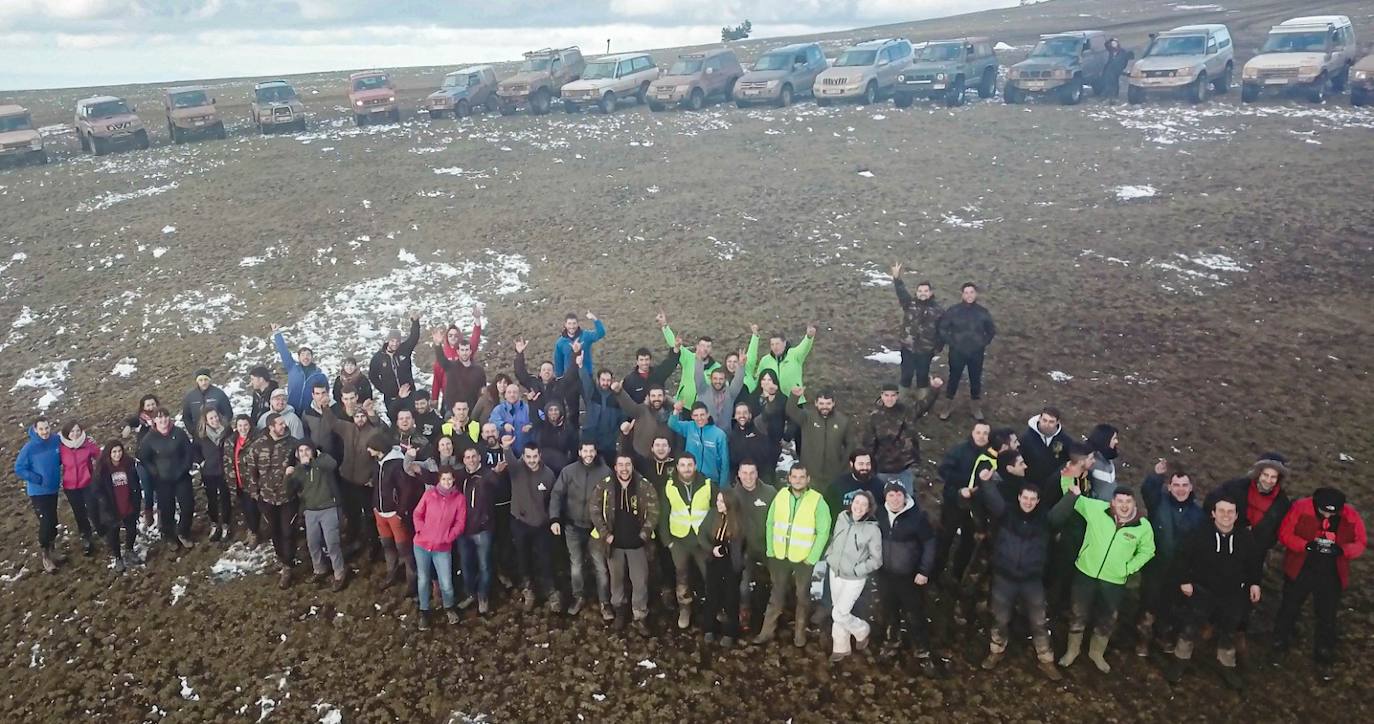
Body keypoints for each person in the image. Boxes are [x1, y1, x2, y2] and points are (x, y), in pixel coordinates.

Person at [1051, 481, 1155, 673]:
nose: (1124, 505)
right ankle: (1072, 650)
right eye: (1120, 501)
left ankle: (1096, 653)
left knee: (1107, 617)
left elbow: (1148, 551)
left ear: (1134, 504)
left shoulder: (1143, 526)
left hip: (1114, 581)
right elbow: (1074, 496)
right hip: (1085, 573)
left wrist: (1128, 568)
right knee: (1077, 612)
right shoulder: (1096, 509)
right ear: (1112, 502)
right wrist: (1068, 478)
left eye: (1128, 502)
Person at [1163, 496, 1262, 690]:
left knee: (1229, 630)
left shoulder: (1245, 538)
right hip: (1202, 590)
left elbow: (1254, 563)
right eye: (1222, 511)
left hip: (1233, 593)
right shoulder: (1199, 534)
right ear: (1213, 513)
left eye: (1230, 512)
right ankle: (1180, 660)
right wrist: (1184, 580)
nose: (1226, 516)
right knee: (1190, 627)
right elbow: (1182, 557)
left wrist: (1254, 584)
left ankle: (1227, 663)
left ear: (1236, 515)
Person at [1273, 487, 1366, 682]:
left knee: (1327, 614)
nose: (1328, 515)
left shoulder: (1351, 515)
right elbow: (1285, 533)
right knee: (1289, 606)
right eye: (1324, 511)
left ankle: (1324, 649)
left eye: (1332, 512)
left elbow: (1360, 543)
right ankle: (1280, 640)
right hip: (1300, 568)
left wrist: (1342, 550)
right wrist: (1305, 545)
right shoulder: (1300, 508)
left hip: (1331, 574)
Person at [980, 478, 1061, 680]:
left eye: (1032, 499)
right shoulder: (1006, 514)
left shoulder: (1045, 520)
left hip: (1031, 580)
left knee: (1039, 621)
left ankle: (1046, 659)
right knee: (1000, 618)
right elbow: (993, 501)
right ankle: (996, 650)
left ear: (1038, 501)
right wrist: (986, 483)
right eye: (1025, 497)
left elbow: (1061, 514)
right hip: (1005, 576)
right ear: (1019, 498)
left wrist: (1073, 495)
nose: (1028, 502)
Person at [754, 465, 832, 648]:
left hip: (803, 559)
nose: (798, 480)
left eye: (801, 477)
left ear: (808, 479)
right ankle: (766, 632)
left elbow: (824, 532)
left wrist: (812, 557)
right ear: (788, 478)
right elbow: (770, 523)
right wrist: (771, 550)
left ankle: (799, 635)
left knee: (802, 597)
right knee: (776, 595)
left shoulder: (817, 501)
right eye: (794, 476)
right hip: (780, 556)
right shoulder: (780, 495)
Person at [1138, 463, 1205, 657]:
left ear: (1191, 488)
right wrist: (1156, 475)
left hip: (1179, 571)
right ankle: (1143, 639)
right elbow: (1146, 490)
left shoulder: (1197, 514)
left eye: (1185, 485)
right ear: (1169, 487)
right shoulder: (1158, 503)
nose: (1181, 489)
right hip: (1155, 566)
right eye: (1176, 484)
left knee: (1170, 606)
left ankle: (1163, 636)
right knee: (1148, 603)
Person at [874, 480, 939, 674]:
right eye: (891, 495)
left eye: (899, 495)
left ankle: (922, 651)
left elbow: (929, 544)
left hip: (909, 577)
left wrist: (924, 571)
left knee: (914, 615)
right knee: (889, 611)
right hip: (885, 574)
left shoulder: (917, 518)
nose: (895, 499)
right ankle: (891, 642)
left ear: (905, 496)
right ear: (885, 497)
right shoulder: (879, 514)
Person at [591, 452, 658, 633]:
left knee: (640, 582)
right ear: (615, 467)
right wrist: (606, 534)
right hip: (614, 544)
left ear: (632, 466)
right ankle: (620, 612)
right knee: (616, 581)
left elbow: (654, 512)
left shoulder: (644, 485)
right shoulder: (604, 486)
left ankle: (640, 615)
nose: (624, 468)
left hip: (637, 544)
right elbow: (595, 511)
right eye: (620, 465)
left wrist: (644, 535)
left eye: (627, 464)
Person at [550, 440, 612, 618]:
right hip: (573, 526)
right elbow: (556, 494)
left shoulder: (605, 472)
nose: (588, 454)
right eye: (585, 451)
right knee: (576, 565)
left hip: (596, 529)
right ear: (579, 452)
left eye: (591, 451)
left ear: (596, 452)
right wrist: (554, 518)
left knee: (600, 567)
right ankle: (578, 597)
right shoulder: (568, 471)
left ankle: (604, 602)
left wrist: (607, 526)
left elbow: (611, 500)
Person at [321, 403, 383, 557]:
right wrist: (325, 408)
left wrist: (373, 478)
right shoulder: (347, 428)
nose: (360, 419)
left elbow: (384, 433)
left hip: (365, 482)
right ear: (353, 417)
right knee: (350, 512)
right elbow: (333, 423)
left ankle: (372, 545)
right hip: (347, 479)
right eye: (357, 416)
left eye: (363, 416)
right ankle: (353, 539)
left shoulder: (374, 432)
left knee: (369, 515)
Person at [827, 490, 882, 662]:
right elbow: (834, 539)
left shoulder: (873, 530)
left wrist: (858, 570)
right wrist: (830, 556)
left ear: (869, 509)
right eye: (856, 502)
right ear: (851, 503)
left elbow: (876, 560)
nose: (858, 507)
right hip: (834, 572)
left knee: (839, 614)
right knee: (838, 610)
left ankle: (862, 630)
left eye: (863, 504)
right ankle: (841, 648)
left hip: (854, 579)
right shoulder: (842, 517)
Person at [411, 466, 468, 630]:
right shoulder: (429, 494)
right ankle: (424, 611)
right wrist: (421, 530)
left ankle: (449, 607)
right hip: (422, 545)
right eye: (444, 479)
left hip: (442, 548)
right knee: (423, 580)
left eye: (449, 479)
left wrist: (448, 537)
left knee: (446, 582)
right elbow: (417, 514)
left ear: (454, 480)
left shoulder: (459, 499)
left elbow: (460, 523)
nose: (447, 482)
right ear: (439, 480)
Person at [505, 437, 558, 611]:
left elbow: (552, 499)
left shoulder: (548, 474)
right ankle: (528, 589)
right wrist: (506, 447)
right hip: (520, 522)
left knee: (545, 558)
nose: (531, 460)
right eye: (528, 457)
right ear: (524, 456)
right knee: (522, 557)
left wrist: (552, 519)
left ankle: (551, 591)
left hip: (541, 524)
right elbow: (510, 460)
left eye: (535, 456)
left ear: (540, 455)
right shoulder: (517, 469)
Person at [287, 442, 347, 591]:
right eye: (301, 451)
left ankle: (339, 574)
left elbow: (332, 464)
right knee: (313, 543)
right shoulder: (299, 470)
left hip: (329, 507)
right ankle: (319, 569)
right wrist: (288, 477)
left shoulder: (323, 462)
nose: (304, 453)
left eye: (307, 449)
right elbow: (290, 491)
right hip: (310, 510)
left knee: (332, 543)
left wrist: (316, 458)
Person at [934, 422, 991, 580]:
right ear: (972, 433)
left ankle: (957, 575)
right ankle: (935, 572)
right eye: (978, 432)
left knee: (968, 542)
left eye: (985, 433)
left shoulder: (991, 455)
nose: (981, 436)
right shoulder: (959, 450)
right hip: (954, 501)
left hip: (977, 506)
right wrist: (967, 484)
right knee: (945, 538)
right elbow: (944, 470)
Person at [662, 453, 712, 629]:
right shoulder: (669, 486)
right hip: (679, 540)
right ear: (677, 467)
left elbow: (715, 512)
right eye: (682, 465)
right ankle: (685, 609)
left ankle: (713, 608)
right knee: (682, 576)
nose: (686, 469)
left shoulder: (708, 484)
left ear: (695, 466)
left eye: (689, 465)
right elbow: (664, 514)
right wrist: (668, 541)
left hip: (703, 541)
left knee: (709, 574)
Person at [249, 413, 299, 588]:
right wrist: (255, 493)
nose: (283, 426)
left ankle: (288, 565)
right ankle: (281, 558)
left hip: (288, 497)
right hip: (267, 498)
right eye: (279, 424)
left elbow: (302, 465)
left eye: (283, 424)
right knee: (274, 530)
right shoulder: (257, 446)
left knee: (288, 532)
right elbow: (252, 470)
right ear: (271, 427)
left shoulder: (292, 444)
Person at [1204, 454, 1292, 552]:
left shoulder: (1282, 503)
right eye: (1265, 475)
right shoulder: (1235, 487)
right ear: (1258, 473)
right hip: (1224, 542)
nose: (1268, 480)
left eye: (1273, 477)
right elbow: (1210, 503)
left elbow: (1277, 532)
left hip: (1254, 551)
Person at [934, 282, 994, 422]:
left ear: (976, 294)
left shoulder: (982, 312)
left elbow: (991, 331)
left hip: (976, 353)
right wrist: (952, 342)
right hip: (957, 352)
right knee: (954, 378)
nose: (969, 295)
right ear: (962, 294)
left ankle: (975, 407)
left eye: (971, 292)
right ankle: (947, 406)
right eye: (966, 292)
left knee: (975, 378)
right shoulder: (954, 310)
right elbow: (942, 328)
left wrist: (982, 343)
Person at [865, 382, 938, 496]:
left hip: (905, 468)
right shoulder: (874, 417)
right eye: (887, 395)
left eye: (893, 395)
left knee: (906, 501)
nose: (890, 398)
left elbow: (923, 405)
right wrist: (869, 467)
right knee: (880, 501)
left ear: (897, 396)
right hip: (883, 469)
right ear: (882, 395)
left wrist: (934, 389)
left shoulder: (906, 411)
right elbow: (869, 444)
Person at [370, 438, 422, 595]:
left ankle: (412, 581)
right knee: (387, 545)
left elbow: (405, 489)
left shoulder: (395, 464)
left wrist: (400, 511)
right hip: (380, 512)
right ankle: (391, 573)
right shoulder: (378, 463)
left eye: (370, 448)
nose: (368, 451)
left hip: (393, 513)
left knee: (404, 549)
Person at [139, 408, 196, 549]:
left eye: (165, 417)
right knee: (166, 509)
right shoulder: (149, 438)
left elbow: (188, 452)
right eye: (159, 418)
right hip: (163, 480)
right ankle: (169, 536)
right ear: (155, 420)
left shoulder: (179, 433)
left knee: (188, 506)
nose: (163, 420)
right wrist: (155, 472)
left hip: (181, 476)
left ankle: (183, 531)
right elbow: (144, 458)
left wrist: (184, 468)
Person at [731, 460, 777, 632]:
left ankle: (773, 614)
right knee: (743, 585)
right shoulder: (733, 495)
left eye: (752, 473)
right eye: (744, 473)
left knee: (777, 581)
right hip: (746, 547)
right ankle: (745, 612)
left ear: (757, 474)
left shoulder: (770, 492)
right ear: (739, 475)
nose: (748, 477)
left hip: (768, 546)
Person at [785, 386, 856, 496]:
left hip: (833, 474)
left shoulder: (842, 421)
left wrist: (843, 465)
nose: (825, 407)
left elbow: (850, 444)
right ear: (816, 403)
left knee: (831, 503)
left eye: (828, 404)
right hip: (810, 474)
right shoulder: (807, 417)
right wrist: (794, 396)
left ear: (833, 404)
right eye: (821, 403)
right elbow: (791, 410)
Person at [889, 265, 945, 400]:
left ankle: (922, 401)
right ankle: (901, 400)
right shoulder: (910, 304)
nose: (923, 293)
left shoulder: (938, 310)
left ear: (931, 293)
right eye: (920, 291)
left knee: (922, 375)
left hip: (925, 351)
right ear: (917, 292)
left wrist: (937, 348)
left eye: (926, 291)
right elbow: (901, 292)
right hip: (908, 348)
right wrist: (897, 278)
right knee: (906, 375)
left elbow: (942, 331)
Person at [700, 488, 747, 647]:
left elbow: (744, 545)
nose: (718, 504)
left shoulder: (740, 520)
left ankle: (730, 632)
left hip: (731, 564)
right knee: (711, 594)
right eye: (718, 500)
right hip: (714, 560)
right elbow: (701, 534)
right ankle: (709, 628)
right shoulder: (712, 515)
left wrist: (739, 560)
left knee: (731, 597)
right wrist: (710, 549)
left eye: (722, 501)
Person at [15, 417, 63, 572]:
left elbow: (66, 448)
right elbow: (19, 468)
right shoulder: (29, 448)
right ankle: (46, 555)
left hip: (53, 489)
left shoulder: (56, 440)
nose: (45, 432)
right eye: (41, 429)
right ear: (35, 430)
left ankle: (53, 549)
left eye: (47, 428)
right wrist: (37, 478)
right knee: (46, 522)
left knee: (53, 520)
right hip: (38, 492)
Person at [456, 447, 498, 614]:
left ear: (479, 458)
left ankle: (483, 596)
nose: (471, 460)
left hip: (483, 529)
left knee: (484, 565)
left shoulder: (487, 475)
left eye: (474, 456)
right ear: (464, 460)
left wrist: (495, 474)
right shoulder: (460, 476)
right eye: (468, 457)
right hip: (463, 530)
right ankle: (470, 593)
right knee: (466, 565)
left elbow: (496, 483)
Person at [90, 441, 142, 573]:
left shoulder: (129, 465)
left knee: (131, 528)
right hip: (111, 505)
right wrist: (104, 501)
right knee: (113, 532)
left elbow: (135, 482)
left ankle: (129, 550)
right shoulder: (102, 469)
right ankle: (118, 557)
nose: (117, 454)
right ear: (108, 453)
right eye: (114, 452)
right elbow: (96, 489)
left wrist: (136, 497)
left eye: (119, 451)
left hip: (128, 502)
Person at [58, 421, 101, 556]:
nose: (75, 434)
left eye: (78, 431)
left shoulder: (87, 443)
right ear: (66, 434)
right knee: (79, 512)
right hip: (70, 486)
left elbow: (99, 456)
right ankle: (86, 536)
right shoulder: (61, 447)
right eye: (72, 431)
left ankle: (101, 528)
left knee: (93, 508)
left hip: (87, 482)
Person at [514, 340, 581, 425]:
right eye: (544, 370)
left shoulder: (559, 383)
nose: (546, 372)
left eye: (549, 370)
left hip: (556, 422)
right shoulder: (533, 382)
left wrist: (576, 353)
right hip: (538, 422)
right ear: (540, 373)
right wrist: (519, 354)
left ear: (553, 373)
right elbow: (520, 373)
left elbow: (572, 374)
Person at [368, 314, 421, 420]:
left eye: (397, 341)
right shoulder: (378, 358)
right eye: (392, 341)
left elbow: (414, 337)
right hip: (391, 397)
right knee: (395, 420)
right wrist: (384, 389)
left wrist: (415, 322)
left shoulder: (404, 349)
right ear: (387, 341)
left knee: (412, 419)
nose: (395, 344)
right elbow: (372, 375)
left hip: (409, 393)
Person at [659, 312, 718, 408]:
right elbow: (674, 343)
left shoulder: (716, 367)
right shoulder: (689, 357)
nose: (705, 349)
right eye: (702, 346)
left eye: (708, 346)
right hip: (682, 405)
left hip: (702, 410)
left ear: (711, 349)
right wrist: (665, 326)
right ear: (697, 346)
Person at [430, 307, 484, 411]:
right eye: (450, 335)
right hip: (449, 396)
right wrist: (434, 398)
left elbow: (475, 339)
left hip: (467, 396)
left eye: (456, 335)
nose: (453, 337)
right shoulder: (442, 354)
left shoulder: (464, 351)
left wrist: (477, 320)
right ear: (446, 337)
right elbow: (437, 378)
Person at [193, 409, 234, 543]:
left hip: (224, 470)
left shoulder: (227, 431)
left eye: (216, 417)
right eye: (211, 418)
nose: (215, 420)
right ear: (206, 421)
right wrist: (202, 462)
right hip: (209, 472)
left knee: (225, 497)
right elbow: (195, 450)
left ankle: (226, 524)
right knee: (211, 499)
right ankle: (214, 523)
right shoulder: (201, 435)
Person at [668, 402, 729, 487]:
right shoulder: (689, 427)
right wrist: (676, 410)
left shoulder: (719, 434)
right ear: (692, 416)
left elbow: (724, 463)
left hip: (711, 479)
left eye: (702, 415)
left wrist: (722, 487)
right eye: (696, 415)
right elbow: (672, 424)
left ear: (708, 414)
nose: (699, 418)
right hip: (692, 477)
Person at [1018, 407, 1071, 506]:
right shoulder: (1026, 438)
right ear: (1039, 419)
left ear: (1057, 422)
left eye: (1051, 422)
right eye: (1044, 420)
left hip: (1053, 489)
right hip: (1031, 487)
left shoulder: (1066, 440)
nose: (1046, 424)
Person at [122, 395, 161, 528]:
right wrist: (127, 427)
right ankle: (148, 513)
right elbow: (130, 421)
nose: (151, 407)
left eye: (153, 404)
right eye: (148, 405)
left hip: (158, 459)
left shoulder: (161, 418)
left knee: (161, 488)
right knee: (148, 488)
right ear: (143, 407)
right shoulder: (141, 420)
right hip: (143, 461)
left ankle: (161, 513)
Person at [753, 325, 815, 406]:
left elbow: (804, 347)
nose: (775, 347)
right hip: (774, 402)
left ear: (784, 343)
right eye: (772, 344)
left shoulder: (794, 354)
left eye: (777, 344)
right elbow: (758, 380)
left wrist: (809, 337)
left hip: (795, 401)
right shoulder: (765, 360)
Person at [272, 327, 329, 413]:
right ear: (298, 358)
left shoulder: (320, 376)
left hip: (310, 412)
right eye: (302, 355)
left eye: (308, 355)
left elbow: (325, 395)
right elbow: (283, 351)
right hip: (291, 409)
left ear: (312, 357)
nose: (305, 357)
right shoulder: (292, 368)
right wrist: (277, 333)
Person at [614, 381, 675, 460]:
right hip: (641, 456)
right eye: (653, 396)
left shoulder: (672, 413)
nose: (656, 399)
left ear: (664, 397)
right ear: (649, 397)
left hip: (665, 457)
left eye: (659, 395)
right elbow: (629, 407)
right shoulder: (641, 410)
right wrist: (619, 392)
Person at [223, 414, 258, 544]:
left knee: (252, 508)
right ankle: (250, 530)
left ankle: (254, 532)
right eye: (240, 426)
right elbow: (226, 461)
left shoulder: (256, 439)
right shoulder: (231, 441)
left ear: (250, 426)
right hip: (237, 481)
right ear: (236, 427)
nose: (243, 428)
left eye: (245, 425)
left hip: (251, 481)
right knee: (244, 508)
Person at [579, 363, 624, 464]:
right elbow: (585, 380)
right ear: (598, 380)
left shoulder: (616, 397)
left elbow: (622, 416)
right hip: (591, 439)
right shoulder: (592, 393)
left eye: (608, 380)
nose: (605, 383)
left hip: (609, 441)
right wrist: (581, 366)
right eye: (603, 380)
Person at [695, 353, 746, 434]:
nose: (718, 381)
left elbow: (738, 381)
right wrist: (699, 360)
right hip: (705, 433)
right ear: (710, 379)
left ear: (725, 380)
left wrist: (741, 366)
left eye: (721, 379)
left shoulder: (730, 393)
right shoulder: (703, 390)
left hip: (725, 435)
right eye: (715, 378)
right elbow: (698, 376)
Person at [728, 402, 777, 484]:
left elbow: (768, 460)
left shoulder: (759, 431)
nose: (742, 416)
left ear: (750, 415)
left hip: (760, 480)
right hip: (741, 482)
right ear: (735, 416)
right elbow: (732, 463)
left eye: (745, 413)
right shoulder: (732, 436)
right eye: (739, 413)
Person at [554, 311, 606, 377]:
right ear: (565, 324)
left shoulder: (586, 336)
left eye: (574, 323)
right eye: (569, 323)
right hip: (569, 378)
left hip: (586, 376)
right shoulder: (560, 342)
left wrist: (595, 319)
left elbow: (601, 333)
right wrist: (559, 379)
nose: (572, 326)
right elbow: (558, 363)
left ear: (578, 324)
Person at [532, 401, 578, 474]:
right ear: (547, 412)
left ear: (560, 412)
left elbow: (574, 449)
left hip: (560, 466)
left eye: (556, 410)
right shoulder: (542, 426)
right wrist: (532, 402)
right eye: (550, 410)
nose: (553, 412)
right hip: (543, 466)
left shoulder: (568, 428)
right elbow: (533, 417)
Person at [180, 368, 233, 432]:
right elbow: (186, 417)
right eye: (200, 380)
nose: (203, 382)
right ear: (197, 381)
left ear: (209, 380)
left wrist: (222, 428)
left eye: (206, 379)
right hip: (199, 434)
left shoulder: (219, 394)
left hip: (218, 433)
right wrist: (193, 431)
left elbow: (228, 413)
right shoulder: (191, 397)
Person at [489, 380, 535, 451]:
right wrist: (503, 425)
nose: (512, 395)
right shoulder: (498, 409)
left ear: (519, 394)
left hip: (525, 451)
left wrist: (531, 426)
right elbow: (492, 421)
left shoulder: (528, 408)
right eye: (509, 392)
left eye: (515, 392)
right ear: (505, 395)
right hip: (505, 450)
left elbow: (541, 419)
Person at [1084, 424, 1120, 500]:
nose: (1116, 441)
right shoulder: (1090, 461)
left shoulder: (1108, 459)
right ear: (1105, 440)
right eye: (1114, 439)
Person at [1101, 38, 1134, 102]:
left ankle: (1114, 97)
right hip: (1110, 70)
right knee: (1109, 82)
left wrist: (1124, 70)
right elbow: (1106, 45)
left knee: (1115, 83)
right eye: (1112, 44)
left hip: (1117, 70)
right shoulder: (1111, 51)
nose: (1113, 45)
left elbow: (1124, 62)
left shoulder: (1122, 52)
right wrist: (1111, 40)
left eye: (1115, 44)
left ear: (1118, 44)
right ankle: (1109, 96)